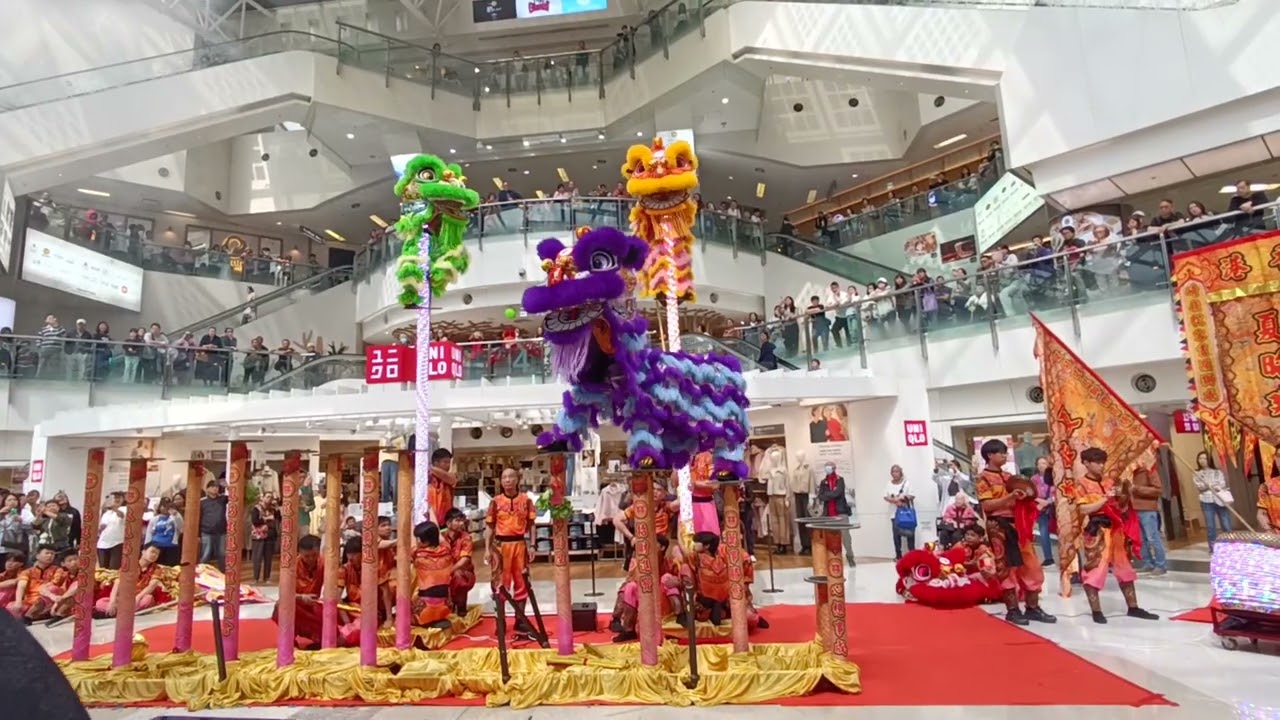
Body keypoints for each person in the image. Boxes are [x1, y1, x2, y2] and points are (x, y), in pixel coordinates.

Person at [1065, 447, 1159, 624]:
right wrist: (1104, 500)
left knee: (1125, 568)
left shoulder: (1109, 482)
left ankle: (1133, 607)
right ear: (1086, 463)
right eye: (1097, 462)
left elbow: (1121, 505)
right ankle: (1096, 611)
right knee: (1095, 569)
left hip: (1116, 529)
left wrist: (1123, 497)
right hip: (1096, 529)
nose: (1101, 466)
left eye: (1102, 462)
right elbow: (1083, 509)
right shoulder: (1080, 485)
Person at [975, 439, 1056, 626]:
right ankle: (1012, 610)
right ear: (989, 455)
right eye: (1001, 453)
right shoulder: (983, 478)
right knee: (1007, 567)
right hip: (999, 526)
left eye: (1005, 453)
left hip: (1019, 524)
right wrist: (1010, 497)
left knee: (1032, 565)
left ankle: (1033, 607)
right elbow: (987, 505)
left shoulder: (1010, 476)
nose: (1004, 456)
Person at [484, 467, 537, 633]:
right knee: (499, 584)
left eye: (510, 477)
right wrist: (487, 548)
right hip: (500, 547)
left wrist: (533, 545)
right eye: (504, 477)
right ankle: (500, 621)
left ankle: (520, 619)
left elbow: (532, 525)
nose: (507, 480)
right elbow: (489, 527)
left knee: (522, 582)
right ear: (501, 481)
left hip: (520, 545)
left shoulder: (526, 501)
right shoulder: (495, 502)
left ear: (517, 479)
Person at [610, 534, 688, 642]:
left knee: (667, 578)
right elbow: (629, 582)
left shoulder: (670, 563)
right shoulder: (638, 562)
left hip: (662, 601)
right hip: (645, 598)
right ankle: (628, 629)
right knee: (630, 587)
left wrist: (678, 582)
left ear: (662, 548)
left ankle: (680, 615)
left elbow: (685, 582)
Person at [689, 531, 768, 628]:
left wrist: (744, 585)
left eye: (696, 542)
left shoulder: (723, 553)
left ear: (707, 546)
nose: (693, 544)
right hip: (705, 600)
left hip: (728, 597)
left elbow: (744, 558)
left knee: (750, 619)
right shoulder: (693, 557)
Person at [273, 534, 324, 648]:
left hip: (314, 606)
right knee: (281, 606)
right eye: (306, 556)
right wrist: (301, 597)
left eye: (314, 555)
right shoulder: (291, 566)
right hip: (296, 605)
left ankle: (319, 640)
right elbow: (283, 593)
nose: (311, 559)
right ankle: (289, 639)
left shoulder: (324, 563)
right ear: (300, 553)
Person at [95, 544, 162, 617]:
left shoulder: (157, 569)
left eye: (157, 554)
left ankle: (118, 612)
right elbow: (118, 582)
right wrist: (112, 602)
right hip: (124, 599)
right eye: (152, 552)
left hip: (139, 598)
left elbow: (152, 585)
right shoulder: (129, 565)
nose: (154, 555)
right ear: (143, 552)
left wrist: (138, 597)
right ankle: (125, 612)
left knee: (148, 599)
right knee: (100, 603)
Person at [410, 521, 454, 628]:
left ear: (422, 541)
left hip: (425, 607)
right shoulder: (446, 549)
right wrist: (430, 509)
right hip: (446, 605)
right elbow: (439, 534)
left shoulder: (418, 555)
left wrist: (410, 517)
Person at [1130, 460, 1167, 575]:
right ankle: (1148, 563)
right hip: (1133, 509)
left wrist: (1137, 489)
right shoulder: (1129, 474)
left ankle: (1161, 565)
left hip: (1147, 509)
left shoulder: (1149, 470)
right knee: (1141, 539)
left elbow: (1158, 490)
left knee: (1152, 537)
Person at [815, 462, 856, 566]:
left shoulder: (840, 480)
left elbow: (838, 493)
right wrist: (830, 494)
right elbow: (821, 496)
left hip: (841, 512)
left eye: (829, 467)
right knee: (830, 538)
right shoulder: (823, 482)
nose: (827, 469)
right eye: (826, 467)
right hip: (828, 514)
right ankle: (832, 559)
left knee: (846, 537)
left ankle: (850, 557)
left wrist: (828, 495)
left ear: (834, 468)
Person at [1191, 451, 1232, 548]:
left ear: (1209, 460)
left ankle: (1230, 545)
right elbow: (1200, 487)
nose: (1202, 461)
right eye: (1200, 458)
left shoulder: (1218, 472)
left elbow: (1222, 484)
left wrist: (1209, 485)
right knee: (1210, 526)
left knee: (1226, 524)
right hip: (1206, 501)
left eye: (1204, 458)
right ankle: (1213, 548)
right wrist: (1212, 485)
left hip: (1220, 500)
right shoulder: (1196, 473)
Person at [443, 508, 476, 614]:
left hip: (464, 574)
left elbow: (465, 560)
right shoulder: (441, 537)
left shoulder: (465, 538)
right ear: (448, 523)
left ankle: (461, 606)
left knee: (458, 576)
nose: (461, 523)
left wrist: (449, 571)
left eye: (462, 520)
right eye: (457, 520)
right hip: (444, 572)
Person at [883, 464, 915, 560]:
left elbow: (912, 495)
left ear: (901, 472)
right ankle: (898, 555)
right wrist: (894, 500)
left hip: (906, 513)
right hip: (894, 514)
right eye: (893, 471)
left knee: (910, 534)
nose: (895, 473)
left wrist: (902, 498)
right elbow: (885, 496)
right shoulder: (889, 484)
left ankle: (912, 554)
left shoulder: (907, 483)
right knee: (896, 535)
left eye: (897, 471)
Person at [1030, 457, 1055, 565]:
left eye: (1044, 463)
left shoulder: (1054, 476)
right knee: (1044, 532)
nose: (1041, 465)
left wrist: (1049, 501)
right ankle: (1048, 557)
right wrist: (1038, 500)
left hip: (1054, 506)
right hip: (1040, 506)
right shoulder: (1033, 479)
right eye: (1039, 463)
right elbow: (1030, 492)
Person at [249, 492, 279, 583]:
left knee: (268, 558)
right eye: (268, 497)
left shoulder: (273, 509)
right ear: (263, 498)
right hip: (259, 536)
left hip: (270, 536)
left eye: (271, 497)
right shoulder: (256, 508)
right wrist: (266, 519)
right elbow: (255, 521)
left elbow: (278, 518)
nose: (269, 499)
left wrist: (277, 507)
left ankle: (267, 577)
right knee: (257, 558)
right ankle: (256, 578)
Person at [199, 481, 229, 569]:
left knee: (222, 554)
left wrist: (228, 487)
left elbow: (235, 498)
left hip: (221, 531)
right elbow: (199, 517)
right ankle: (202, 573)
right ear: (207, 489)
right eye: (212, 487)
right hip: (206, 531)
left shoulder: (223, 499)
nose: (215, 488)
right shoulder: (202, 501)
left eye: (216, 487)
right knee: (205, 554)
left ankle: (222, 574)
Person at [689, 452, 720, 536]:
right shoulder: (684, 455)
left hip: (706, 504)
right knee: (688, 540)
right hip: (687, 505)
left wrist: (694, 483)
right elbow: (674, 482)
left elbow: (715, 484)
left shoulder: (708, 456)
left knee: (709, 539)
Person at [145, 498, 182, 566]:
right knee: (155, 566)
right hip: (156, 545)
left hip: (171, 546)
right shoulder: (154, 518)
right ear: (160, 507)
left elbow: (181, 528)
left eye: (168, 506)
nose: (166, 508)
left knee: (170, 566)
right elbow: (149, 532)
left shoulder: (175, 516)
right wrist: (147, 545)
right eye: (164, 506)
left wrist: (176, 515)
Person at [375, 516, 397, 628]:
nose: (388, 528)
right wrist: (399, 540)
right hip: (377, 573)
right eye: (383, 525)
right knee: (385, 588)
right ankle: (389, 617)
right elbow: (380, 545)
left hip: (388, 572)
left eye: (389, 525)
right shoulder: (374, 539)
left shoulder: (389, 541)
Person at [427, 448, 458, 526]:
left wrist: (427, 466)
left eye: (449, 462)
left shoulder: (451, 477)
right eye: (445, 462)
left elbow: (450, 479)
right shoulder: (426, 476)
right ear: (436, 462)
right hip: (429, 520)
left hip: (446, 521)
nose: (448, 465)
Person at [97, 493, 127, 570]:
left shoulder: (125, 509)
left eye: (118, 497)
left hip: (117, 543)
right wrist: (100, 529)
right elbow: (101, 527)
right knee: (103, 569)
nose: (116, 500)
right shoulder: (106, 513)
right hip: (102, 544)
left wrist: (115, 508)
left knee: (113, 569)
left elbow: (121, 515)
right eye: (114, 498)